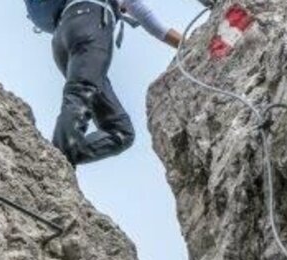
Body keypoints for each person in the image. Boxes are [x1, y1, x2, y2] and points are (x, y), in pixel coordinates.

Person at [44, 0, 183, 166]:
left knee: (121, 132)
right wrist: (190, 43)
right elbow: (151, 22)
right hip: (91, 21)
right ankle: (55, 159)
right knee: (81, 93)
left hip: (61, 39)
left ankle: (60, 159)